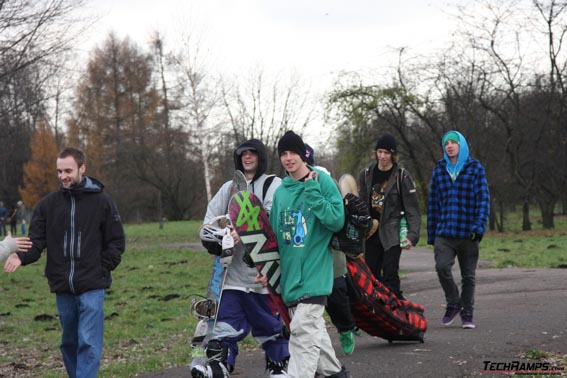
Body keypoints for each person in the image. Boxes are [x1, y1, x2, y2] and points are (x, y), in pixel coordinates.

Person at [4, 147, 126, 378]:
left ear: (82, 168)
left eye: (68, 170)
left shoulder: (102, 201)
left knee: (88, 342)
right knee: (68, 343)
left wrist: (102, 267)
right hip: (62, 286)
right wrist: (19, 255)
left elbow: (116, 242)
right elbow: (36, 242)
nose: (63, 176)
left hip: (92, 284)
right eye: (59, 171)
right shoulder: (47, 205)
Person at [193, 139, 289, 378]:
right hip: (231, 277)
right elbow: (209, 222)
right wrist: (218, 237)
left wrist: (243, 230)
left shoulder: (272, 185)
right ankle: (219, 364)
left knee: (270, 326)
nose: (247, 158)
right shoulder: (228, 188)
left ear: (260, 157)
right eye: (243, 154)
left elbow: (271, 220)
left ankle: (278, 364)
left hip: (263, 276)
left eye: (252, 154)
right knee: (225, 323)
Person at [270, 131, 349, 378]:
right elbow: (276, 236)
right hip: (290, 277)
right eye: (283, 153)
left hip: (315, 274)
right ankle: (336, 375)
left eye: (293, 152)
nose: (288, 158)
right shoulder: (281, 192)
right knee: (317, 342)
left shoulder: (322, 181)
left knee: (303, 332)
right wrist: (268, 271)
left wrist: (312, 192)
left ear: (303, 154)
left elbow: (336, 221)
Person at [427, 130, 490, 329]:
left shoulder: (474, 168)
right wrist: (432, 234)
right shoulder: (439, 170)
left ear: (461, 145)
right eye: (447, 143)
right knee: (442, 267)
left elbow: (483, 200)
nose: (450, 146)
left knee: (468, 276)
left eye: (454, 143)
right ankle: (453, 302)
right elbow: (433, 204)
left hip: (468, 231)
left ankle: (467, 313)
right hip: (444, 232)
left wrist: (479, 227)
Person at [305, 143, 359, 356]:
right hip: (306, 250)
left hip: (331, 248)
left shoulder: (328, 183)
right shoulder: (288, 186)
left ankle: (346, 329)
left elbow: (338, 217)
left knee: (337, 295)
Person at [358, 134, 420, 299]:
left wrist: (412, 236)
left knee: (390, 275)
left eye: (386, 152)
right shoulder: (366, 174)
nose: (382, 156)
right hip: (371, 233)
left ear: (392, 154)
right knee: (371, 276)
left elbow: (412, 209)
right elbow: (360, 205)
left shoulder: (402, 176)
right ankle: (378, 314)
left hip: (392, 233)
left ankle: (398, 311)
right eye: (380, 152)